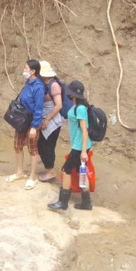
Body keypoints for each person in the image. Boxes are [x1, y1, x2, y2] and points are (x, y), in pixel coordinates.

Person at [49, 80, 95, 212]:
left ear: (73, 95)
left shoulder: (80, 108)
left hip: (79, 146)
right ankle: (87, 203)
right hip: (81, 145)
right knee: (82, 171)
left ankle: (62, 202)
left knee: (66, 170)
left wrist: (83, 151)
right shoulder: (80, 106)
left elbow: (84, 129)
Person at [6, 60, 45, 189]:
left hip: (32, 120)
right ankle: (19, 172)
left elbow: (39, 108)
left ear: (33, 71)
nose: (24, 70)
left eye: (26, 68)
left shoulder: (39, 87)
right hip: (22, 119)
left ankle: (32, 176)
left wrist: (34, 126)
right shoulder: (27, 82)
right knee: (17, 145)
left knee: (32, 148)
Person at [36, 61, 65, 183]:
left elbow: (58, 105)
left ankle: (50, 171)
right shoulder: (44, 83)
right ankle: (48, 167)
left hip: (53, 121)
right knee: (42, 144)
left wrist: (47, 119)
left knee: (47, 146)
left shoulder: (54, 85)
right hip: (46, 119)